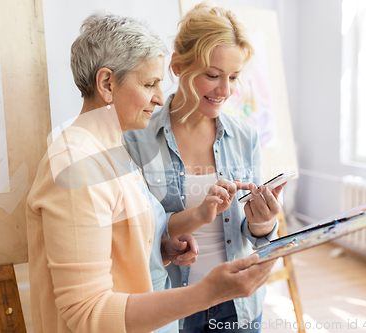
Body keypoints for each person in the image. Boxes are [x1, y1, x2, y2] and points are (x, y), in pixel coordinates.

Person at [26, 12, 276, 333]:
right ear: (106, 84)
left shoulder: (112, 151)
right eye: (149, 84)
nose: (159, 97)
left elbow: (122, 243)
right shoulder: (77, 167)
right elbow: (87, 313)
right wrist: (206, 292)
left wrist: (160, 250)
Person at [123, 3, 284, 332]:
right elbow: (133, 235)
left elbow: (254, 236)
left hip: (238, 304)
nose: (225, 90)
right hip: (169, 306)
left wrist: (264, 222)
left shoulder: (245, 136)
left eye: (234, 77)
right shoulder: (137, 138)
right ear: (178, 66)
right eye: (212, 75)